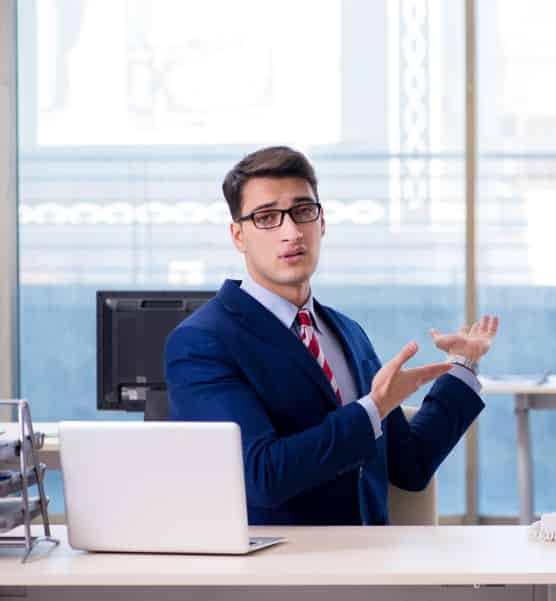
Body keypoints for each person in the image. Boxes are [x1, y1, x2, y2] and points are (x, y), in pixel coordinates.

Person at [164, 146, 499, 525]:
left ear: (321, 223)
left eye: (303, 211)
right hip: (282, 570)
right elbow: (261, 476)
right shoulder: (201, 343)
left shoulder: (347, 332)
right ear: (238, 235)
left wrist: (463, 365)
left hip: (371, 564)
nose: (291, 232)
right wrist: (374, 407)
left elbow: (411, 467)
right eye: (267, 217)